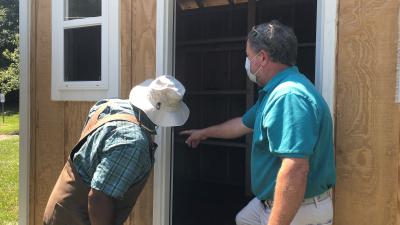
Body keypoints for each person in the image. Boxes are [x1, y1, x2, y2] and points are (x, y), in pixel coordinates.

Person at [181, 20, 336, 225]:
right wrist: (204, 132)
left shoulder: (288, 97)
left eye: (248, 56)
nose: (247, 62)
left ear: (261, 58)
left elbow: (296, 168)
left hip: (297, 210)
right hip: (272, 203)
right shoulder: (275, 92)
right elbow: (242, 124)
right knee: (243, 219)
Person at [43, 75, 189, 225]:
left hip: (60, 207)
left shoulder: (109, 105)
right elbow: (98, 198)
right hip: (77, 219)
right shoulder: (132, 143)